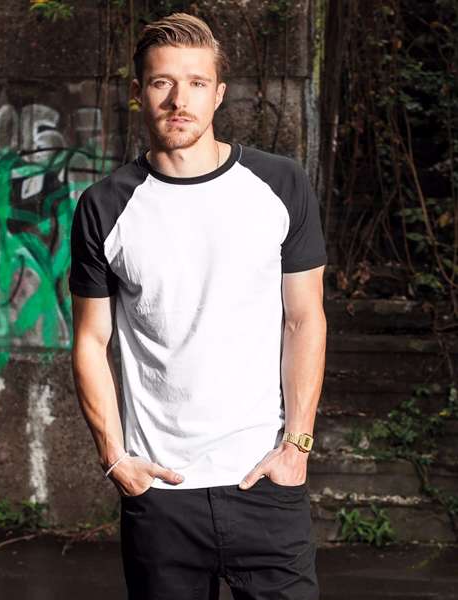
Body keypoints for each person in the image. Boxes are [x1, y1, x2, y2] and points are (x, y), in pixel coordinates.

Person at [69, 11, 327, 600]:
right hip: (159, 493)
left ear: (219, 93)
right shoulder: (105, 205)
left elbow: (304, 319)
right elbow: (90, 340)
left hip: (265, 482)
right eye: (162, 82)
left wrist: (297, 446)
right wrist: (115, 458)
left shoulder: (280, 184)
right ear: (139, 92)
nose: (179, 100)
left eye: (196, 82)